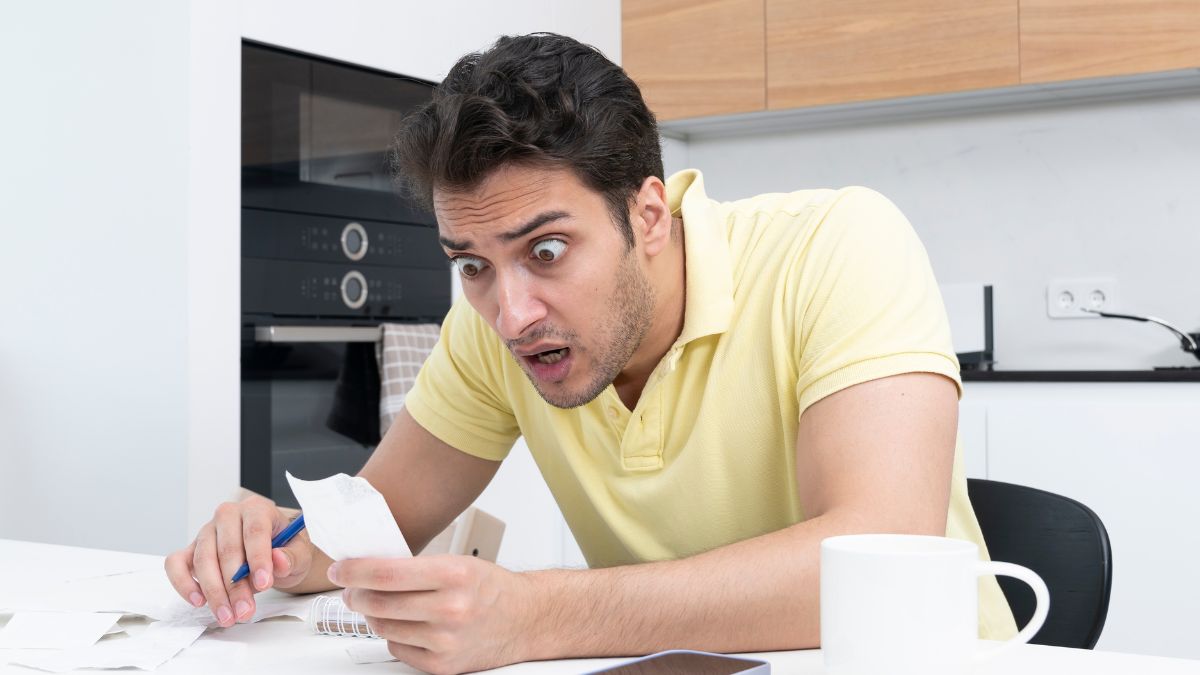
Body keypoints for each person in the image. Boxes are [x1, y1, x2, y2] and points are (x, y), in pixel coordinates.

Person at [166, 32, 1017, 674]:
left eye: (545, 250)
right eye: (471, 264)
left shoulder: (838, 244)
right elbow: (377, 523)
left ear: (648, 215)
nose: (510, 313)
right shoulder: (494, 324)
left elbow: (879, 550)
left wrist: (535, 613)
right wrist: (279, 542)